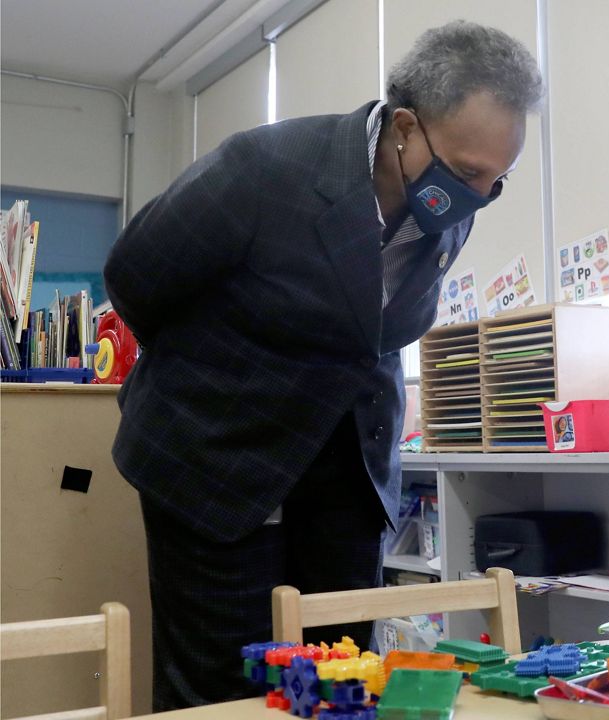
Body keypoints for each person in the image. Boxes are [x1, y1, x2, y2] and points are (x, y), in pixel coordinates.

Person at [103, 21, 542, 710]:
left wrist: (467, 188)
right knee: (226, 684)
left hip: (342, 472)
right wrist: (222, 371)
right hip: (218, 459)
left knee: (339, 676)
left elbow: (377, 331)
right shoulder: (267, 168)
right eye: (466, 174)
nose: (477, 198)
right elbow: (136, 278)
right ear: (405, 126)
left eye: (496, 183)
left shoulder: (451, 207)